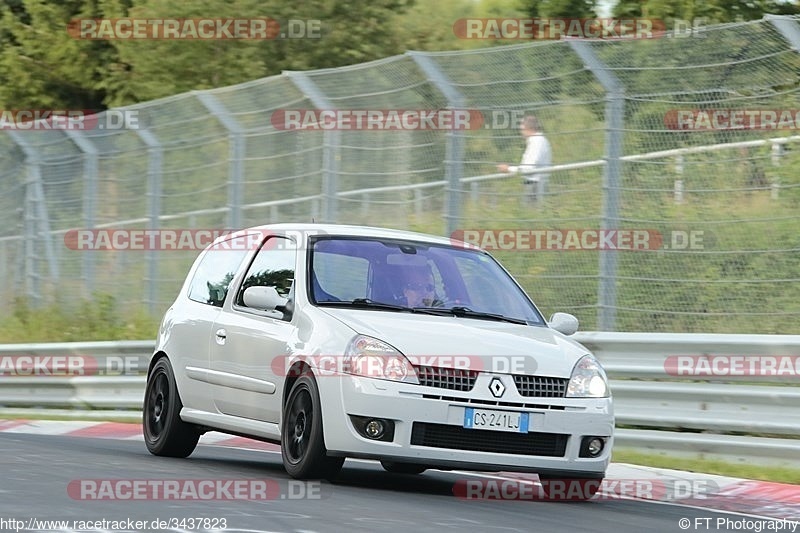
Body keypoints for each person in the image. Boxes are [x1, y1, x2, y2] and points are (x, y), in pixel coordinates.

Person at [497, 114, 552, 201]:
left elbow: (527, 168)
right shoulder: (539, 140)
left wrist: (508, 169)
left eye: (522, 129)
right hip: (537, 185)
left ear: (528, 128)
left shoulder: (536, 142)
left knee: (530, 212)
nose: (521, 132)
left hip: (535, 186)